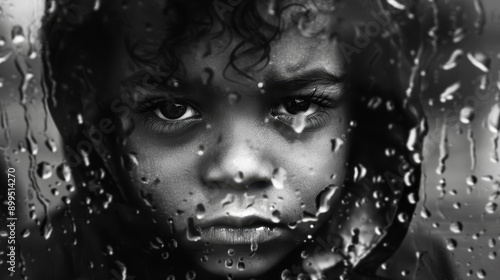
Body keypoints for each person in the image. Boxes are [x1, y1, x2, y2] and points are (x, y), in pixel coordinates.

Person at [37, 0, 432, 279]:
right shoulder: (39, 266)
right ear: (104, 133)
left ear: (362, 120)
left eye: (297, 105)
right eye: (173, 110)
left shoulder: (414, 268)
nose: (238, 167)